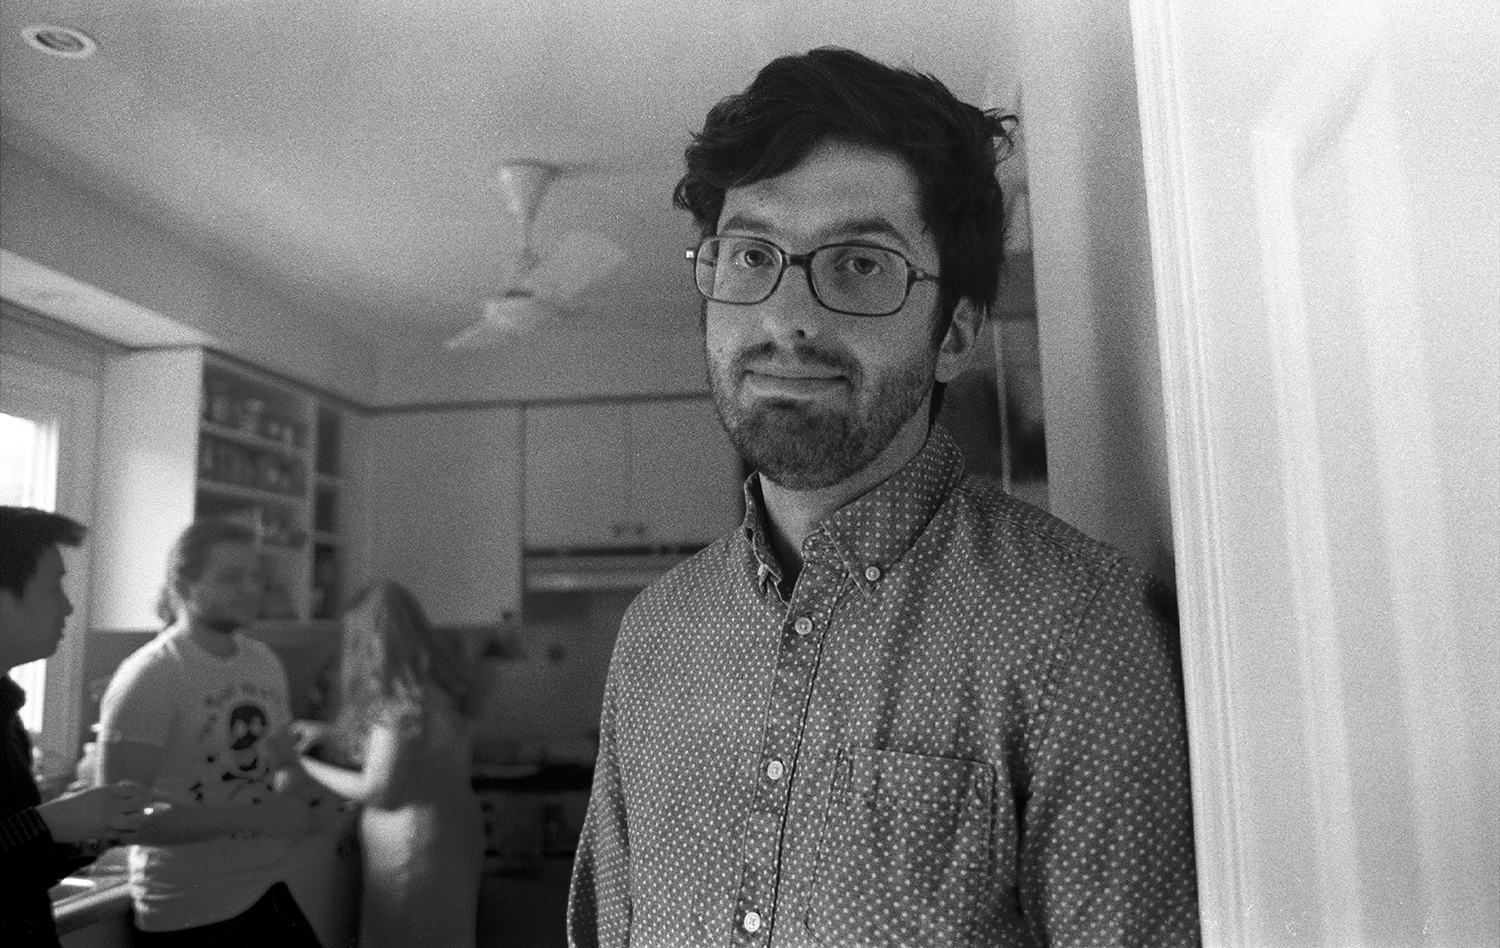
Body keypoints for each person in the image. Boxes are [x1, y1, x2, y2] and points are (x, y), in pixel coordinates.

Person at [568, 47, 1201, 947]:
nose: (787, 317)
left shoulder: (1077, 629)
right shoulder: (655, 638)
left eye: (861, 264)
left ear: (955, 336)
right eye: (751, 254)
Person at [96, 519, 332, 946]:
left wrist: (295, 796)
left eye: (255, 576)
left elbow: (282, 760)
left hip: (263, 886)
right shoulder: (153, 675)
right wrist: (258, 818)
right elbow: (120, 819)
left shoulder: (263, 662)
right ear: (183, 586)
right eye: (230, 577)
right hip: (188, 911)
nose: (250, 588)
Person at [295, 580, 485, 948]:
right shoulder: (435, 687)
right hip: (452, 835)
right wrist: (327, 733)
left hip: (412, 848)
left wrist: (302, 766)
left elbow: (379, 790)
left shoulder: (396, 699)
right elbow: (411, 752)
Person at [1, 506, 151, 948]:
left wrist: (88, 834)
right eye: (54, 587)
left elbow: (17, 872)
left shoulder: (5, 713)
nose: (68, 606)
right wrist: (49, 822)